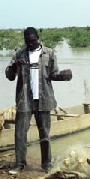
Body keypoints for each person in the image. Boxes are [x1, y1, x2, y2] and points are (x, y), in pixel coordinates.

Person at [5, 27, 72, 174]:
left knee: (45, 134)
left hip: (44, 99)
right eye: (27, 41)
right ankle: (19, 164)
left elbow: (53, 74)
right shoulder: (19, 54)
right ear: (25, 40)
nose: (30, 44)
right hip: (25, 101)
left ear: (38, 38)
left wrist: (64, 75)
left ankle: (46, 164)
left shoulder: (49, 53)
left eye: (33, 41)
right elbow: (10, 76)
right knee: (20, 134)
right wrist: (15, 66)